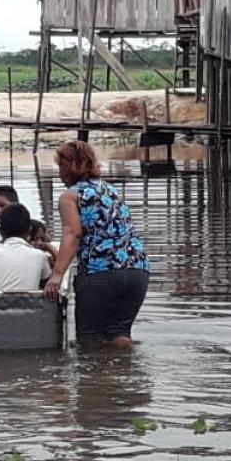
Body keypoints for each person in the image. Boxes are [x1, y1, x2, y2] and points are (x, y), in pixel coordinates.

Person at [45, 141, 150, 348]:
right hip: (138, 271)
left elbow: (72, 234)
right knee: (119, 333)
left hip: (100, 273)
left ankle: (95, 380)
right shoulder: (111, 190)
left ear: (72, 166)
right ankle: (125, 376)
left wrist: (57, 274)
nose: (60, 173)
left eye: (61, 166)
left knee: (89, 340)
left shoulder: (70, 196)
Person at [0, 203, 52, 292]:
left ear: (0, 232)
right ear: (29, 231)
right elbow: (47, 280)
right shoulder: (40, 256)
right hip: (30, 304)